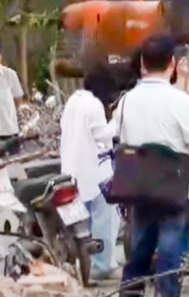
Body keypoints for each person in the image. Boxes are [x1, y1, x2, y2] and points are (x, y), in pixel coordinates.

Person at [117, 34, 189, 297]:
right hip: (176, 192)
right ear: (172, 64)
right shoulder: (181, 101)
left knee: (138, 255)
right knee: (170, 258)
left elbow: (123, 144)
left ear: (142, 64)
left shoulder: (126, 101)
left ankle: (130, 294)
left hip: (140, 191)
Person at [61, 67, 120, 281]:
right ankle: (102, 265)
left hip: (70, 172)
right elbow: (102, 137)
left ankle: (80, 267)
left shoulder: (72, 101)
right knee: (104, 220)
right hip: (95, 174)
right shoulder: (94, 105)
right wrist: (116, 122)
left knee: (78, 225)